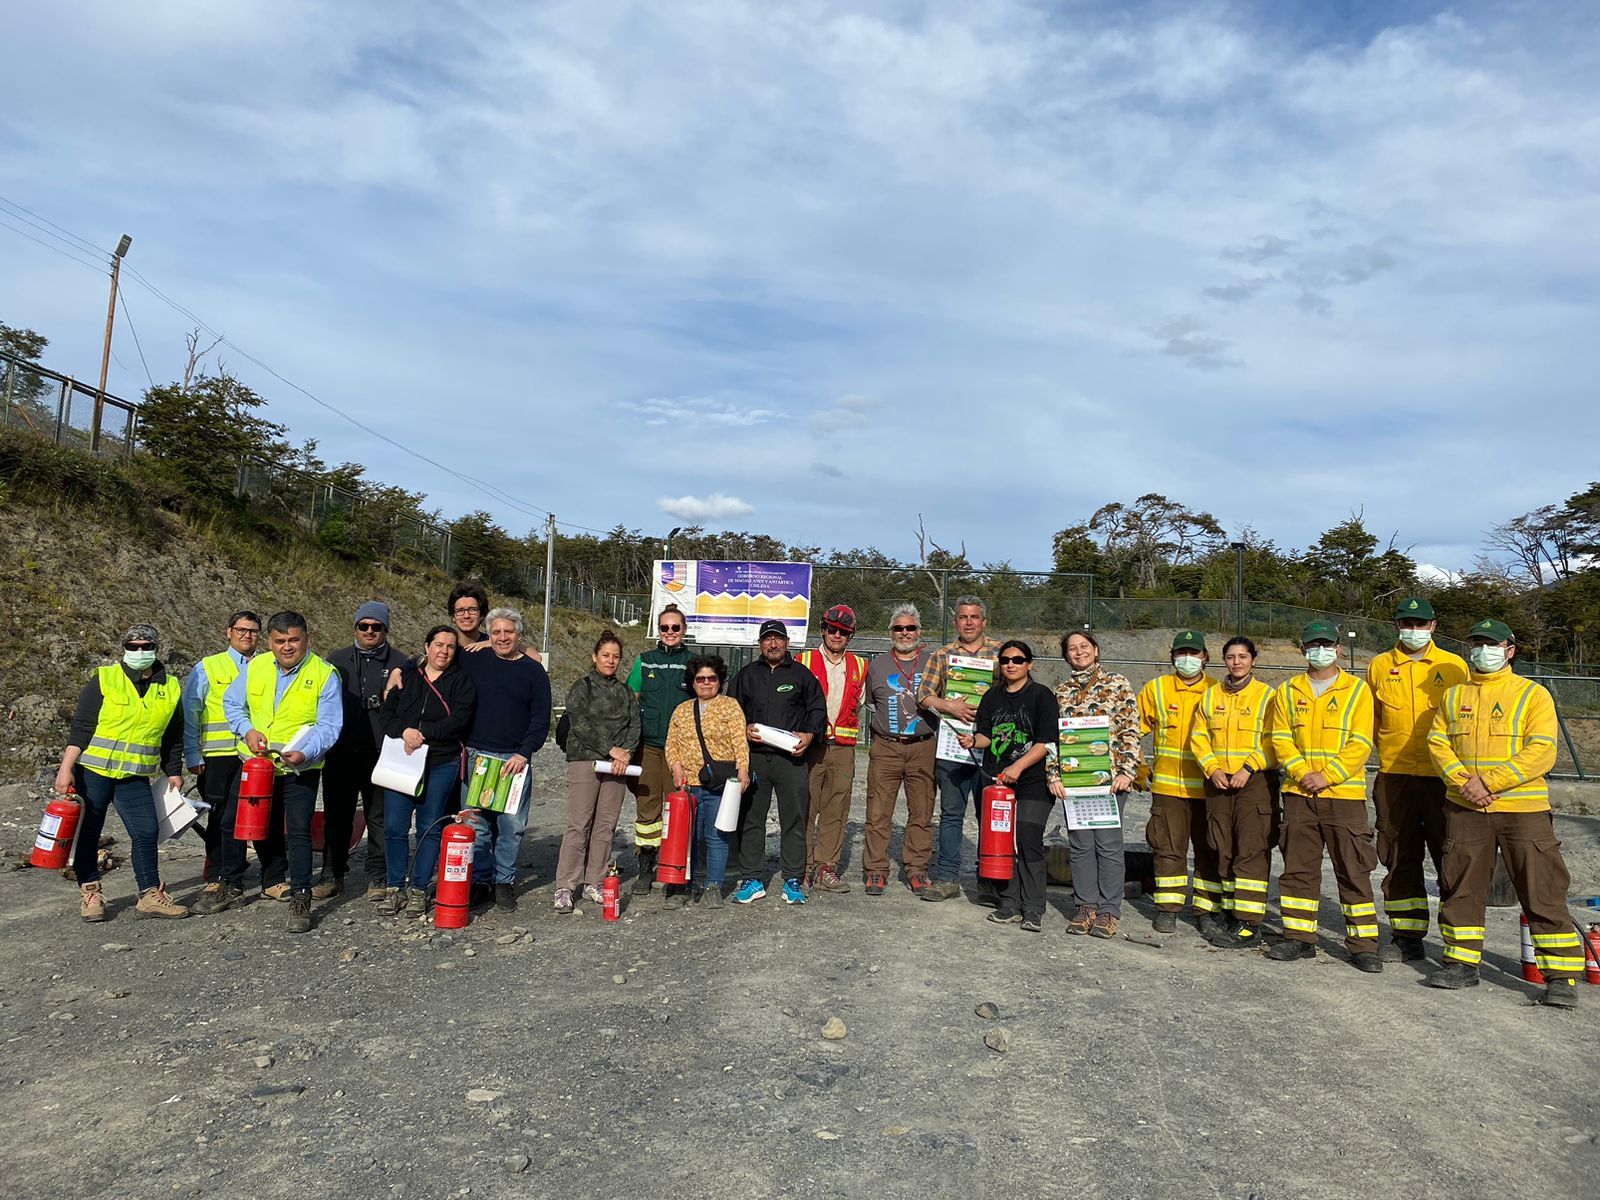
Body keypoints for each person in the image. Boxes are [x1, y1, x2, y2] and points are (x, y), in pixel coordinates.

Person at [1424, 619, 1582, 1006]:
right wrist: (1464, 782)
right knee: (1461, 886)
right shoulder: (1453, 696)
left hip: (1522, 808)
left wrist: (1490, 782)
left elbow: (1542, 750)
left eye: (1492, 644)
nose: (1483, 650)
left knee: (1541, 888)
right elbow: (1438, 742)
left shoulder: (1533, 695)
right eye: (1476, 643)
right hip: (1465, 807)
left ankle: (1561, 976)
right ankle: (1461, 963)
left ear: (1510, 650)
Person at [201, 611, 344, 934]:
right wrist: (247, 731)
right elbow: (233, 704)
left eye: (294, 640)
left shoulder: (324, 673)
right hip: (256, 764)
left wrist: (306, 751)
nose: (287, 647)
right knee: (233, 823)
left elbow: (330, 725)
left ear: (307, 639)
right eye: (280, 641)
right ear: (270, 642)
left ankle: (301, 897)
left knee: (297, 831)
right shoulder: (257, 666)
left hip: (298, 768)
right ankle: (231, 884)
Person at [1266, 619, 1380, 971]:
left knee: (1353, 870)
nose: (1320, 651)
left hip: (1343, 796)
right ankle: (1299, 939)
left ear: (1338, 649)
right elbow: (1280, 738)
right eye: (1313, 645)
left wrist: (1327, 776)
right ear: (1302, 650)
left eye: (1326, 644)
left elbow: (1361, 742)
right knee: (1299, 869)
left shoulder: (1357, 691)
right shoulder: (1288, 691)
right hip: (1300, 794)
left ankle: (1363, 945)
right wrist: (1303, 774)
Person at [55, 624, 188, 921]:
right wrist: (66, 768)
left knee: (146, 831)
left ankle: (150, 894)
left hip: (133, 775)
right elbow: (81, 729)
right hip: (93, 771)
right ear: (124, 649)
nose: (139, 652)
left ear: (156, 649)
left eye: (145, 646)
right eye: (133, 647)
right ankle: (90, 892)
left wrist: (174, 771)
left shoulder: (171, 687)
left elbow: (173, 735)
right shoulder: (105, 679)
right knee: (89, 832)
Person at [1366, 597, 1469, 962]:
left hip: (1445, 779)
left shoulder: (1454, 666)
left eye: (1420, 623)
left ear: (1433, 626)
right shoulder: (1379, 666)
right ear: (1396, 626)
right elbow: (1371, 721)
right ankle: (1406, 938)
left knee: (1452, 858)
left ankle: (1458, 944)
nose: (1413, 630)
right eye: (1406, 623)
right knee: (1399, 857)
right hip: (1395, 777)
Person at [958, 640, 1058, 932]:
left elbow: (1046, 742)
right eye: (1005, 660)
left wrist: (1017, 767)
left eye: (1017, 659)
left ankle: (1034, 907)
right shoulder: (992, 696)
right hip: (997, 783)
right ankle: (1010, 903)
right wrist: (973, 741)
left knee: (1027, 838)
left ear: (1030, 663)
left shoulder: (1042, 696)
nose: (1010, 665)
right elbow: (986, 737)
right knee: (1004, 842)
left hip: (1032, 782)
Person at [1047, 631, 1141, 938]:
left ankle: (1109, 910)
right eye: (1072, 648)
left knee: (1109, 845)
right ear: (1066, 655)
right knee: (1080, 845)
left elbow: (1130, 728)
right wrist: (1053, 775)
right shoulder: (1059, 693)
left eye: (1084, 646)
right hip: (1075, 782)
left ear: (1096, 650)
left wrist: (1127, 770)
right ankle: (1086, 905)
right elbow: (1051, 740)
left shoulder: (1117, 684)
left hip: (1109, 780)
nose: (1079, 652)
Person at [377, 625, 476, 915]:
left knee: (429, 826)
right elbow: (386, 714)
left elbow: (460, 720)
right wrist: (405, 731)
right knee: (395, 827)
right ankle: (395, 886)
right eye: (438, 645)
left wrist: (424, 732)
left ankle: (419, 888)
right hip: (403, 759)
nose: (443, 651)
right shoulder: (406, 677)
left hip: (441, 761)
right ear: (426, 646)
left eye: (450, 646)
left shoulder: (462, 682)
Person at [458, 607, 551, 911]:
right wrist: (400, 671)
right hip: (477, 755)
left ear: (518, 635)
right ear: (489, 634)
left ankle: (504, 882)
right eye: (495, 632)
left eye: (508, 632)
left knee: (512, 826)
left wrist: (524, 752)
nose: (502, 637)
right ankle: (481, 881)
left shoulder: (533, 671)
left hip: (515, 760)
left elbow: (540, 719)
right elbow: (435, 660)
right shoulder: (473, 660)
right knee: (478, 824)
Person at [729, 619, 827, 905]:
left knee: (794, 819)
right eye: (767, 639)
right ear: (760, 644)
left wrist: (809, 736)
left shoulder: (802, 675)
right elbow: (732, 711)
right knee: (750, 818)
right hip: (755, 759)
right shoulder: (746, 675)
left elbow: (817, 709)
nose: (773, 644)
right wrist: (744, 728)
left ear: (787, 643)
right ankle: (752, 878)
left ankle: (793, 879)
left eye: (778, 639)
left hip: (790, 760)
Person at [1189, 636, 1277, 948]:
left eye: (1242, 656)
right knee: (1221, 845)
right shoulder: (1211, 696)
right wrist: (1212, 768)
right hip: (1218, 782)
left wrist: (1248, 768)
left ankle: (1250, 922)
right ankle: (1229, 910)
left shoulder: (1268, 696)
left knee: (1251, 849)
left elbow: (1275, 740)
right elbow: (1198, 737)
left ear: (1254, 659)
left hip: (1253, 783)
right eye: (1230, 657)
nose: (1236, 662)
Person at [916, 596, 1003, 902]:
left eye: (974, 617)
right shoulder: (942, 655)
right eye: (963, 617)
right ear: (955, 622)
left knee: (989, 815)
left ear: (984, 621)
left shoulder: (1001, 653)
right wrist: (947, 704)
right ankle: (947, 877)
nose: (969, 622)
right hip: (953, 746)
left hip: (991, 748)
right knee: (952, 814)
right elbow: (924, 694)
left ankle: (989, 880)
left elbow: (1018, 689)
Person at [1137, 631, 1221, 936]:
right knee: (1168, 849)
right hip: (1169, 788)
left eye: (1194, 653)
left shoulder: (1217, 690)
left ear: (1205, 657)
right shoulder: (1156, 689)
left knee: (1209, 849)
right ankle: (1168, 908)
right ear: (1172, 656)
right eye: (1182, 653)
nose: (1188, 659)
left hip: (1210, 787)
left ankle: (1206, 910)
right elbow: (1134, 730)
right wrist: (1138, 766)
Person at [321, 601, 406, 901]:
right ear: (355, 627)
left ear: (386, 629)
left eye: (376, 627)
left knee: (379, 817)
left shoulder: (401, 662)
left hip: (381, 752)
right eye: (364, 626)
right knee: (337, 816)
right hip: (340, 752)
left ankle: (377, 877)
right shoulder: (336, 661)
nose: (369, 631)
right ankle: (332, 874)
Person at [555, 631, 641, 914]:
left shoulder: (626, 691)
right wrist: (611, 750)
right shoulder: (582, 687)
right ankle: (565, 886)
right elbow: (579, 724)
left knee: (606, 825)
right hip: (585, 761)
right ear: (595, 657)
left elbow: (634, 725)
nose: (610, 661)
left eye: (616, 657)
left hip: (617, 766)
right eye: (605, 655)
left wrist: (625, 752)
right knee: (579, 824)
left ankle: (595, 880)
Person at [180, 610, 260, 898]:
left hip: (252, 755)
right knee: (219, 815)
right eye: (241, 630)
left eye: (252, 631)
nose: (246, 635)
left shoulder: (266, 666)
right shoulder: (208, 667)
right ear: (229, 632)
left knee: (246, 814)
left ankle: (235, 870)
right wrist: (192, 754)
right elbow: (191, 712)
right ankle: (215, 871)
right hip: (216, 755)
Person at [664, 654, 751, 909]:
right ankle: (683, 885)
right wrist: (676, 769)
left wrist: (743, 770)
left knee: (716, 837)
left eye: (711, 678)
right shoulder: (682, 710)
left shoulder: (730, 706)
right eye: (700, 678)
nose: (705, 683)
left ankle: (714, 885)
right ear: (692, 682)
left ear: (719, 680)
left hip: (719, 785)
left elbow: (739, 742)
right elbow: (672, 744)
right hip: (688, 785)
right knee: (686, 838)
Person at [794, 603, 869, 893]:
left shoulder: (861, 667)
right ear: (823, 630)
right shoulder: (803, 661)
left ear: (850, 636)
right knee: (805, 806)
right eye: (832, 630)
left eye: (843, 632)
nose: (837, 635)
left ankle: (826, 868)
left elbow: (859, 704)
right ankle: (802, 868)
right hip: (811, 745)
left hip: (843, 748)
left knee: (836, 809)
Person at [866, 604, 937, 899]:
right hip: (887, 746)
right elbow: (872, 703)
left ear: (919, 631)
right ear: (890, 633)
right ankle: (875, 870)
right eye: (898, 628)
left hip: (923, 746)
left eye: (910, 628)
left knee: (921, 811)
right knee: (878, 811)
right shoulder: (878, 665)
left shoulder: (934, 663)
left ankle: (917, 869)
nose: (904, 633)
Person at [625, 602, 694, 895]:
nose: (669, 632)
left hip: (681, 751)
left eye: (675, 628)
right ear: (658, 630)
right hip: (650, 747)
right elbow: (630, 700)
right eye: (664, 627)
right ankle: (646, 865)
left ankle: (677, 867)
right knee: (648, 807)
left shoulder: (693, 662)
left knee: (679, 807)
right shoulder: (645, 661)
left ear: (684, 631)